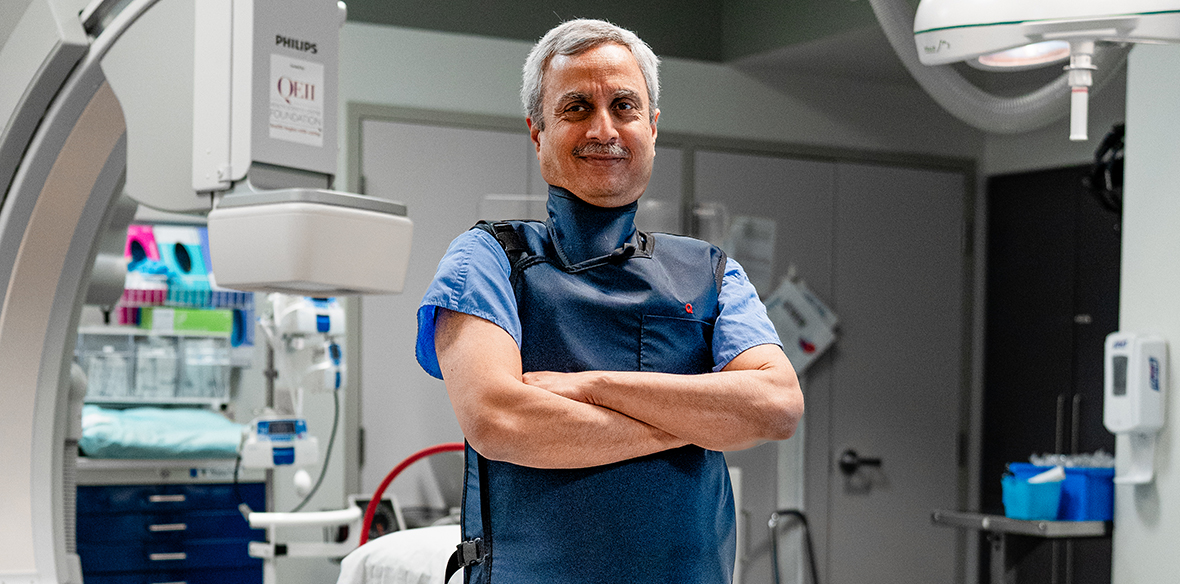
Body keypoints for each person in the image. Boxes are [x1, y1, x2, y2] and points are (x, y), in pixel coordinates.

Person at [415, 19, 804, 584]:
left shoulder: (710, 272)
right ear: (537, 130)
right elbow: (499, 419)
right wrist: (704, 421)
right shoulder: (490, 260)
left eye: (624, 105)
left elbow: (776, 406)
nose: (604, 129)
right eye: (576, 107)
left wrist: (591, 386)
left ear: (652, 126)